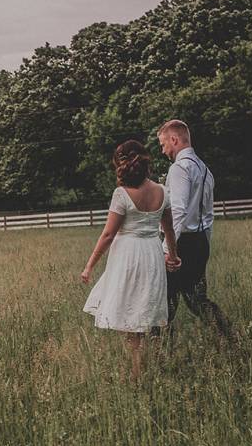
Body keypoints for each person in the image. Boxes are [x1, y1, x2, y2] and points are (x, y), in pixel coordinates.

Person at [81, 140, 181, 381]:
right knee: (144, 308)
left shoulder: (121, 194)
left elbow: (108, 234)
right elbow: (169, 229)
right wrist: (173, 255)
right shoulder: (162, 191)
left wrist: (89, 265)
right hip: (152, 253)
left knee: (129, 313)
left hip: (128, 256)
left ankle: (137, 372)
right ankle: (144, 366)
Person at [155, 120, 232, 342]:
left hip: (180, 243)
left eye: (163, 145)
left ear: (174, 139)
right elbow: (208, 215)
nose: (163, 151)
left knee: (164, 300)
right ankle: (229, 338)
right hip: (199, 241)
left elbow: (177, 212)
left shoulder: (179, 168)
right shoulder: (204, 169)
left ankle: (159, 350)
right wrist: (204, 244)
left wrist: (167, 249)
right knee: (197, 299)